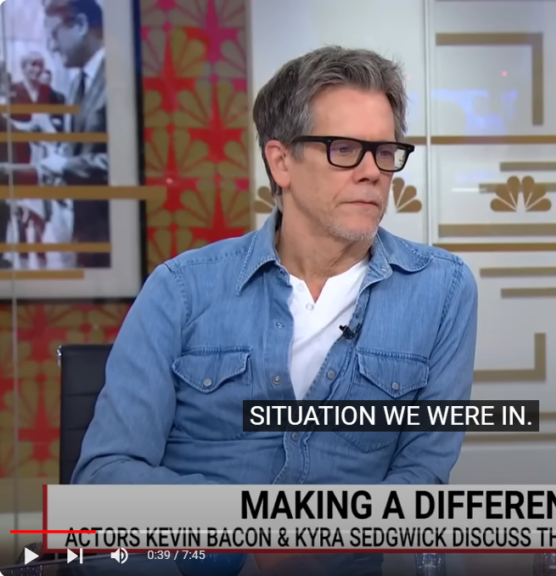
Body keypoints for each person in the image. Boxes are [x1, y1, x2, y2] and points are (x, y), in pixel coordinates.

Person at [72, 46, 479, 575]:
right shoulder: (181, 289)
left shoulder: (443, 289)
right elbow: (103, 479)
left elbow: (422, 480)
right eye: (344, 149)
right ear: (281, 161)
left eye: (384, 151)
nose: (372, 172)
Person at [41, 0, 110, 268]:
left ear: (80, 25)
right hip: (85, 233)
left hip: (112, 236)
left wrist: (64, 165)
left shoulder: (119, 81)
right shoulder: (76, 84)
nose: (52, 46)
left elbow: (127, 163)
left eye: (54, 34)